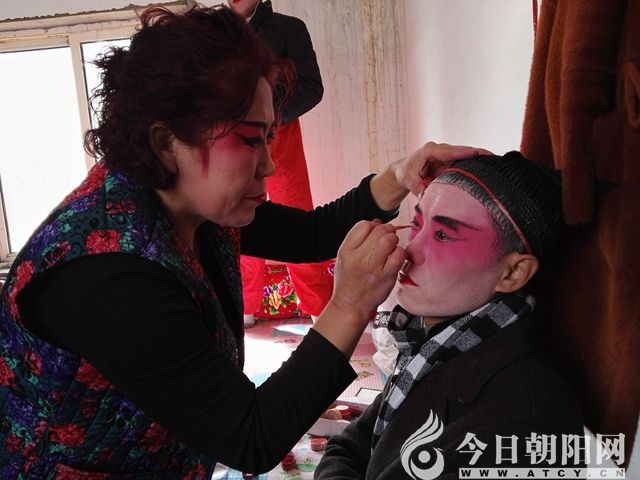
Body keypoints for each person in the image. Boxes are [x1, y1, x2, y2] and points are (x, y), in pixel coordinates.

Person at [0, 5, 486, 479]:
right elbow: (252, 437)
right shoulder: (108, 275)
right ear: (167, 142)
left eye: (269, 138)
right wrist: (350, 304)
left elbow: (310, 233)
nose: (269, 165)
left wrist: (400, 175)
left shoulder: (192, 202)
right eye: (251, 140)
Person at [315, 152, 585, 479]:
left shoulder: (517, 426)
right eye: (417, 224)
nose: (409, 251)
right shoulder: (435, 344)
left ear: (513, 273)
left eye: (442, 235)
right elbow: (346, 447)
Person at [228, 0, 332, 325]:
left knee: (296, 218)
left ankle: (317, 306)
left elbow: (312, 87)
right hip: (231, 139)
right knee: (237, 215)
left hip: (280, 134)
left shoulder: (288, 28)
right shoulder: (216, 31)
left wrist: (271, 119)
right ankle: (244, 306)